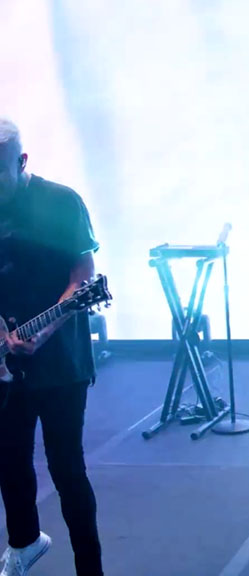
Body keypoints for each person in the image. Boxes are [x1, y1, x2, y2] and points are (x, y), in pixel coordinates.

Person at [0, 118, 104, 575]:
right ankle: (24, 544)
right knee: (9, 461)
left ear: (21, 161)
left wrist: (44, 330)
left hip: (61, 360)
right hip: (5, 363)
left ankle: (90, 568)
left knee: (67, 469)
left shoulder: (62, 202)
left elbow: (84, 275)